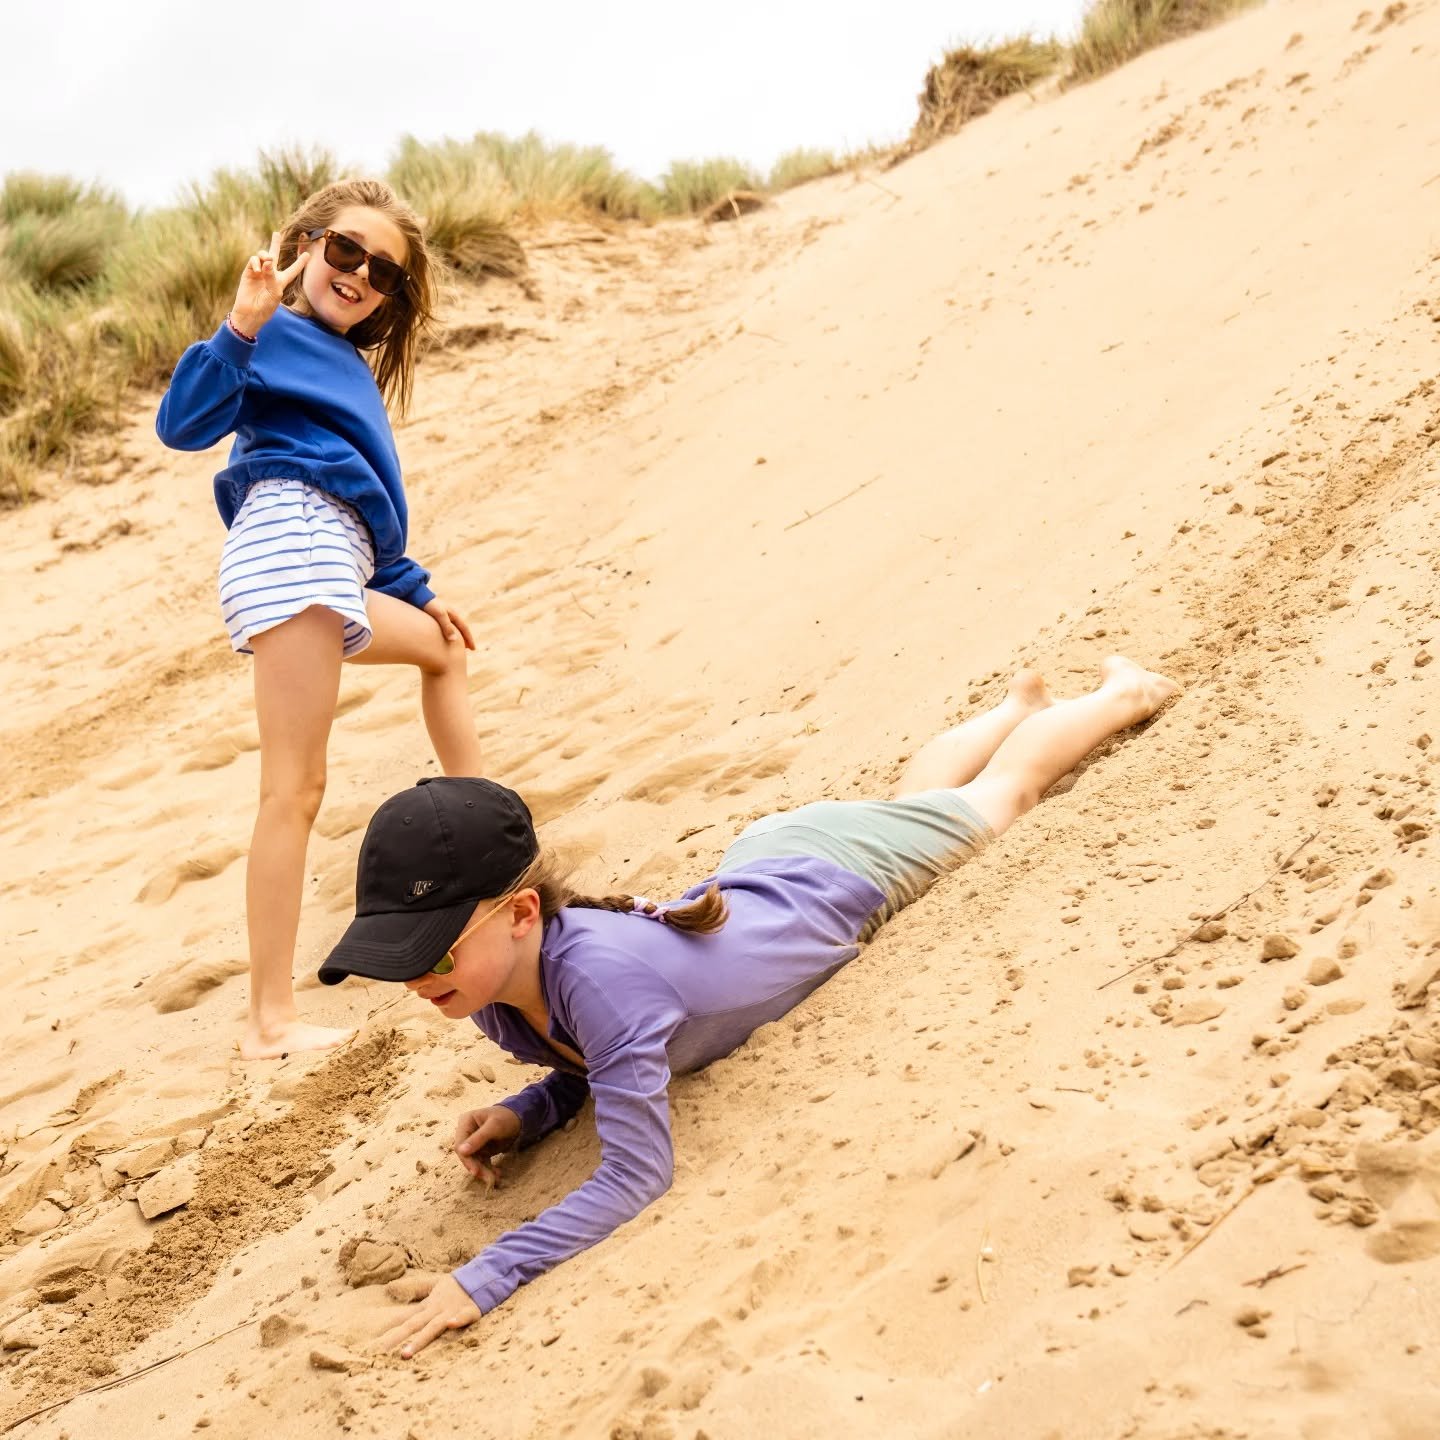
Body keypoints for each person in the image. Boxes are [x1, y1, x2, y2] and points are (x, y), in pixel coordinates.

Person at [317, 656, 1179, 1357]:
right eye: (396, 962)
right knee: (912, 808)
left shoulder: (596, 979)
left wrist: (489, 1274)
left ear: (521, 914)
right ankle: (1012, 705)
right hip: (779, 856)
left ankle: (1118, 692)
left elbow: (636, 1174)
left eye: (430, 951)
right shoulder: (496, 988)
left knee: (1007, 796)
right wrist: (529, 1110)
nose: (416, 978)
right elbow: (615, 1057)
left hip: (842, 878)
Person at [156, 179, 484, 1059]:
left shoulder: (343, 365)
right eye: (345, 250)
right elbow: (183, 426)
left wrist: (416, 586)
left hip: (332, 551)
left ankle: (492, 845)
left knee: (443, 651)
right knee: (293, 790)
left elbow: (358, 488)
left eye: (381, 272)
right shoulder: (272, 334)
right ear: (304, 243)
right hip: (292, 543)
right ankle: (271, 1021)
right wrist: (241, 324)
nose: (359, 274)